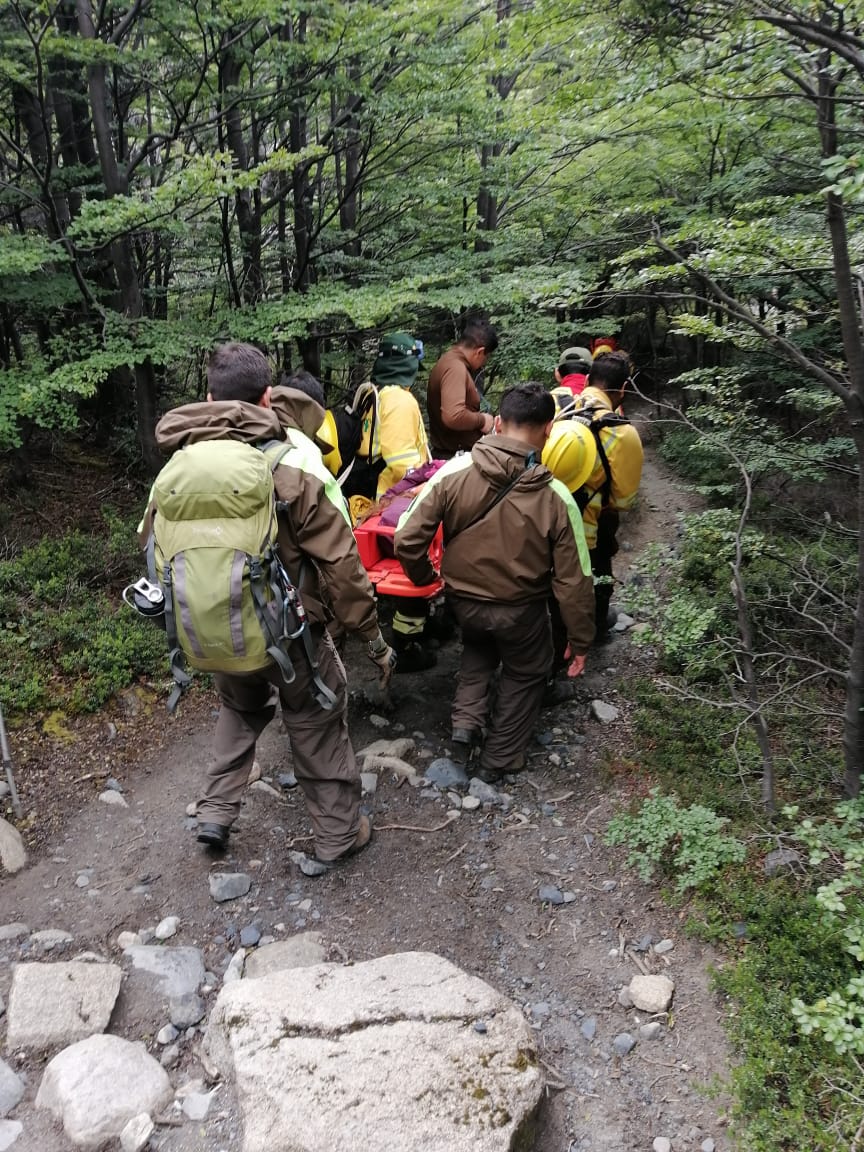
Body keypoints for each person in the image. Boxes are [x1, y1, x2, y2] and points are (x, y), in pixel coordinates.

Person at [143, 342, 396, 872]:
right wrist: (371, 636)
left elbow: (153, 547)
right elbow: (343, 565)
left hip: (216, 629)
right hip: (290, 634)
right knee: (316, 715)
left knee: (239, 708)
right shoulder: (291, 467)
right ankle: (337, 834)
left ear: (210, 397)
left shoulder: (179, 470)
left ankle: (215, 812)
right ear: (266, 398)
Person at [394, 383, 595, 783]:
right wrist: (581, 640)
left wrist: (427, 579)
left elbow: (406, 537)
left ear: (497, 423)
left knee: (477, 651)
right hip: (521, 611)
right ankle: (498, 759)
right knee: (526, 671)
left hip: (463, 602)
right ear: (549, 429)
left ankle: (464, 731)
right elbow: (574, 580)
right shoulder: (556, 495)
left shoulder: (452, 473)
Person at [570, 350, 644, 634]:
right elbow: (623, 501)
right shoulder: (623, 433)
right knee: (599, 572)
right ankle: (597, 625)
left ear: (587, 379)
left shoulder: (558, 409)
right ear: (624, 388)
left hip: (545, 517)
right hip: (592, 528)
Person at [427, 319, 498, 458]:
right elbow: (453, 416)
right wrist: (482, 420)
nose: (484, 363)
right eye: (486, 357)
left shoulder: (450, 361)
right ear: (480, 352)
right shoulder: (455, 368)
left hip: (452, 454)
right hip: (452, 457)